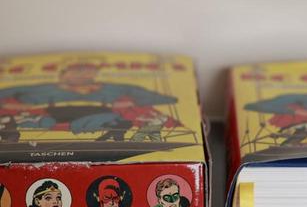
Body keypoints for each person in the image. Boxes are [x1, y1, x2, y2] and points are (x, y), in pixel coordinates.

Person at [0, 63, 178, 139]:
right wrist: (11, 105)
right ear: (63, 74)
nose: (83, 75)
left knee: (115, 122)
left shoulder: (115, 88)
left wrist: (132, 103)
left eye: (87, 72)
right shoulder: (40, 89)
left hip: (102, 117)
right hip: (46, 118)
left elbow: (165, 98)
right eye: (77, 71)